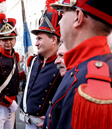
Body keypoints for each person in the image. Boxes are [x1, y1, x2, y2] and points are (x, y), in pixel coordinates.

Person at [42, 0, 112, 129]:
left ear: (78, 17)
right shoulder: (85, 66)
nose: (59, 22)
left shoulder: (92, 80)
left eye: (62, 14)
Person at [19, 1, 63, 129]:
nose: (36, 43)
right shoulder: (34, 61)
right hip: (26, 121)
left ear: (54, 40)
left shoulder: (62, 64)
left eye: (39, 39)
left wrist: (54, 116)